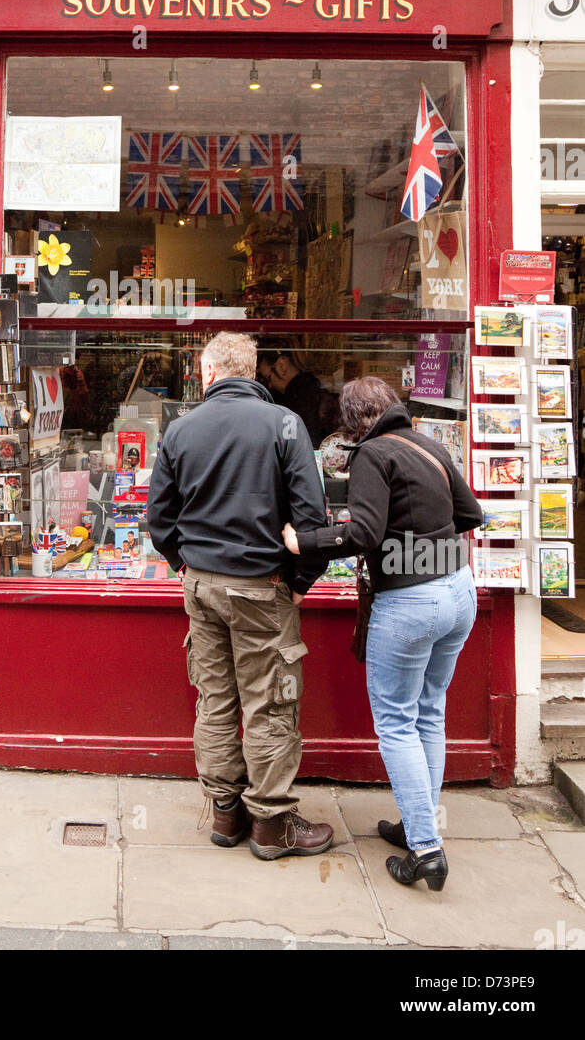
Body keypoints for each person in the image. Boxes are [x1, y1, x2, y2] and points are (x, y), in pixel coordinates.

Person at [283, 377, 483, 893]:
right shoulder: (428, 443)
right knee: (430, 711)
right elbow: (471, 515)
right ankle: (419, 824)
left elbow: (364, 533)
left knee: (396, 721)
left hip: (411, 601)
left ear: (352, 421)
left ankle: (425, 851)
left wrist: (301, 542)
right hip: (459, 590)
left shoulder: (373, 454)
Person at [147, 331, 334, 860]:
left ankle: (226, 814)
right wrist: (300, 582)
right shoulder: (284, 425)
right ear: (252, 372)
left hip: (201, 585)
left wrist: (184, 562)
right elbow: (312, 517)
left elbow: (159, 517)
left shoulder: (181, 429)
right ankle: (271, 825)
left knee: (216, 699)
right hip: (262, 587)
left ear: (207, 374)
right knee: (270, 704)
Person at [257, 349, 331, 447]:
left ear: (282, 366)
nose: (269, 385)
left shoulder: (300, 398)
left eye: (268, 378)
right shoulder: (309, 388)